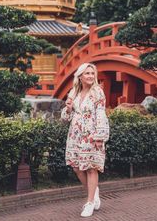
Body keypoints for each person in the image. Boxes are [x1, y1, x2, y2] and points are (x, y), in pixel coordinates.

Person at [61, 63, 110, 217]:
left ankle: (89, 202)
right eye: (87, 73)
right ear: (80, 76)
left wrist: (99, 136)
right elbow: (65, 118)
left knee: (91, 167)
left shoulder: (98, 93)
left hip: (91, 134)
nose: (90, 76)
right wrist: (68, 109)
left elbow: (101, 115)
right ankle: (94, 191)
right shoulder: (73, 92)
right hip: (75, 135)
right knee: (76, 167)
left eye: (92, 73)